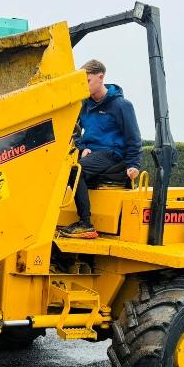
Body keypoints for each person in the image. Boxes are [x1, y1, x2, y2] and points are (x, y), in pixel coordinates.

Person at [58, 59, 142, 239]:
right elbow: (73, 131)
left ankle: (85, 224)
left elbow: (133, 138)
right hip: (92, 153)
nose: (84, 85)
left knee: (75, 171)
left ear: (101, 77)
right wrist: (82, 148)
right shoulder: (83, 104)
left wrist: (134, 164)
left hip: (112, 154)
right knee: (57, 166)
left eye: (87, 81)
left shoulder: (121, 105)